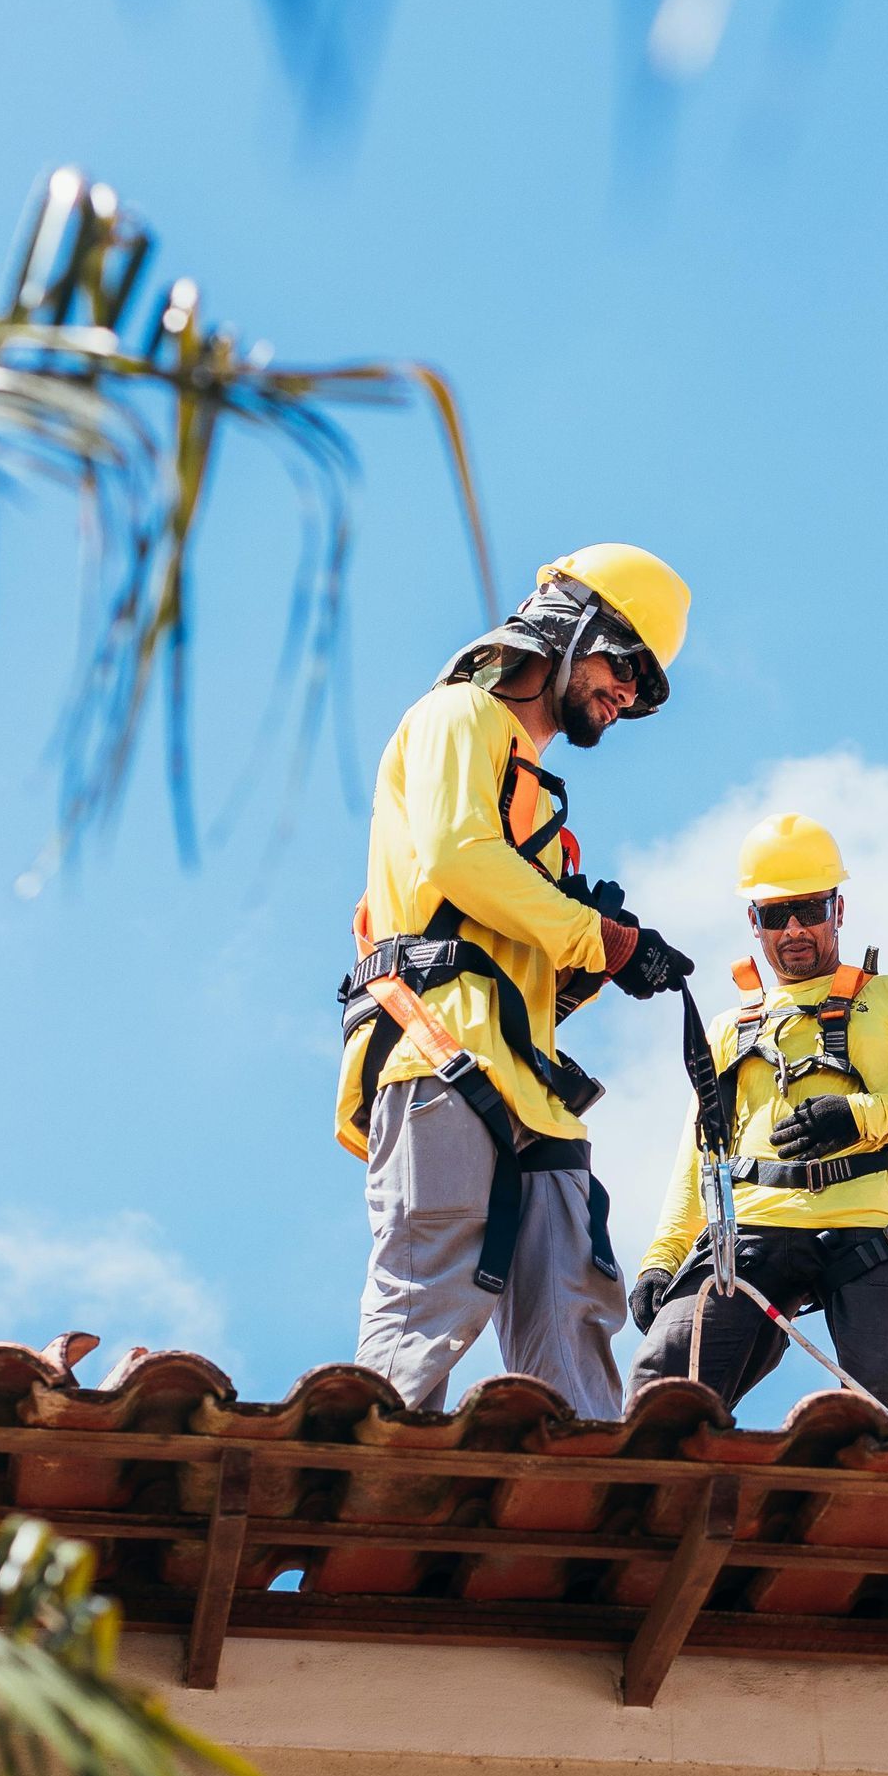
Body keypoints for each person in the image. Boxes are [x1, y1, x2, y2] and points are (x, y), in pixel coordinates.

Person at [337, 546, 696, 1414]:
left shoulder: (538, 808)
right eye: (624, 669)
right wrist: (591, 935)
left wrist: (606, 956)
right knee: (431, 1294)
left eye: (642, 690)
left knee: (573, 1305)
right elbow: (459, 858)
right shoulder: (458, 715)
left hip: (528, 1085)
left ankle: (590, 1513)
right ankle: (362, 1480)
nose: (625, 698)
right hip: (439, 1050)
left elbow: (523, 951)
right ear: (572, 629)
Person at [625, 813, 888, 1439]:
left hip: (867, 1230)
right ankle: (657, 1518)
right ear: (754, 923)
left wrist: (862, 1116)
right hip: (752, 1228)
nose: (793, 929)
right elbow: (700, 1156)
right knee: (663, 1390)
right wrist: (663, 1259)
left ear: (837, 909)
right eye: (775, 915)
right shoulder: (728, 1030)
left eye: (809, 909)